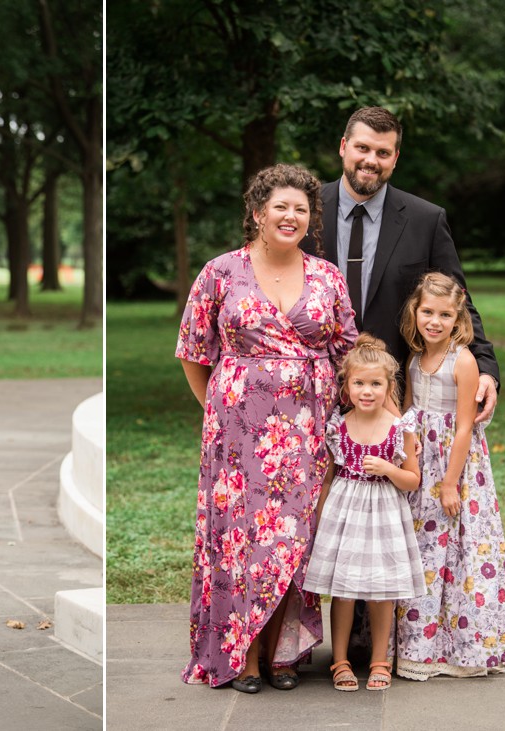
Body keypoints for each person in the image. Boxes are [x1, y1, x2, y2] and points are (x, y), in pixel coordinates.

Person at [177, 163, 357, 693]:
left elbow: (347, 349)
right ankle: (243, 655)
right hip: (237, 433)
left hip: (308, 432)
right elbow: (192, 351)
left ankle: (282, 655)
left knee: (294, 541)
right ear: (258, 213)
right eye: (280, 206)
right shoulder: (220, 272)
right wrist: (217, 409)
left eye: (301, 209)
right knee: (243, 542)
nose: (291, 215)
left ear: (309, 219)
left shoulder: (326, 275)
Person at [317, 106, 499, 424]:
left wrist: (486, 368)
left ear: (395, 158)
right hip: (314, 386)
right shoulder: (305, 211)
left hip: (395, 391)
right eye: (362, 148)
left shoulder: (425, 220)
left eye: (383, 152)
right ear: (343, 146)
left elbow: (457, 299)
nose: (371, 160)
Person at [394, 272, 505, 680]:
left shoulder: (462, 360)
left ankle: (465, 646)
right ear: (416, 311)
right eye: (427, 311)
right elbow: (409, 413)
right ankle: (422, 645)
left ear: (457, 318)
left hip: (454, 467)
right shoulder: (413, 358)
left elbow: (464, 427)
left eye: (445, 314)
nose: (434, 321)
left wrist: (448, 483)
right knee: (424, 551)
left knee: (458, 548)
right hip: (420, 463)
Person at [302, 334, 423, 692]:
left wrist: (388, 468)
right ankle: (339, 659)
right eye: (359, 383)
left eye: (375, 383)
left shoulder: (400, 429)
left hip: (384, 513)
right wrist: (322, 518)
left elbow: (413, 480)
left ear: (389, 386)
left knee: (381, 589)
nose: (366, 391)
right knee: (343, 590)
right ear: (347, 385)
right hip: (345, 512)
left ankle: (379, 659)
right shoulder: (338, 428)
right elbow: (327, 480)